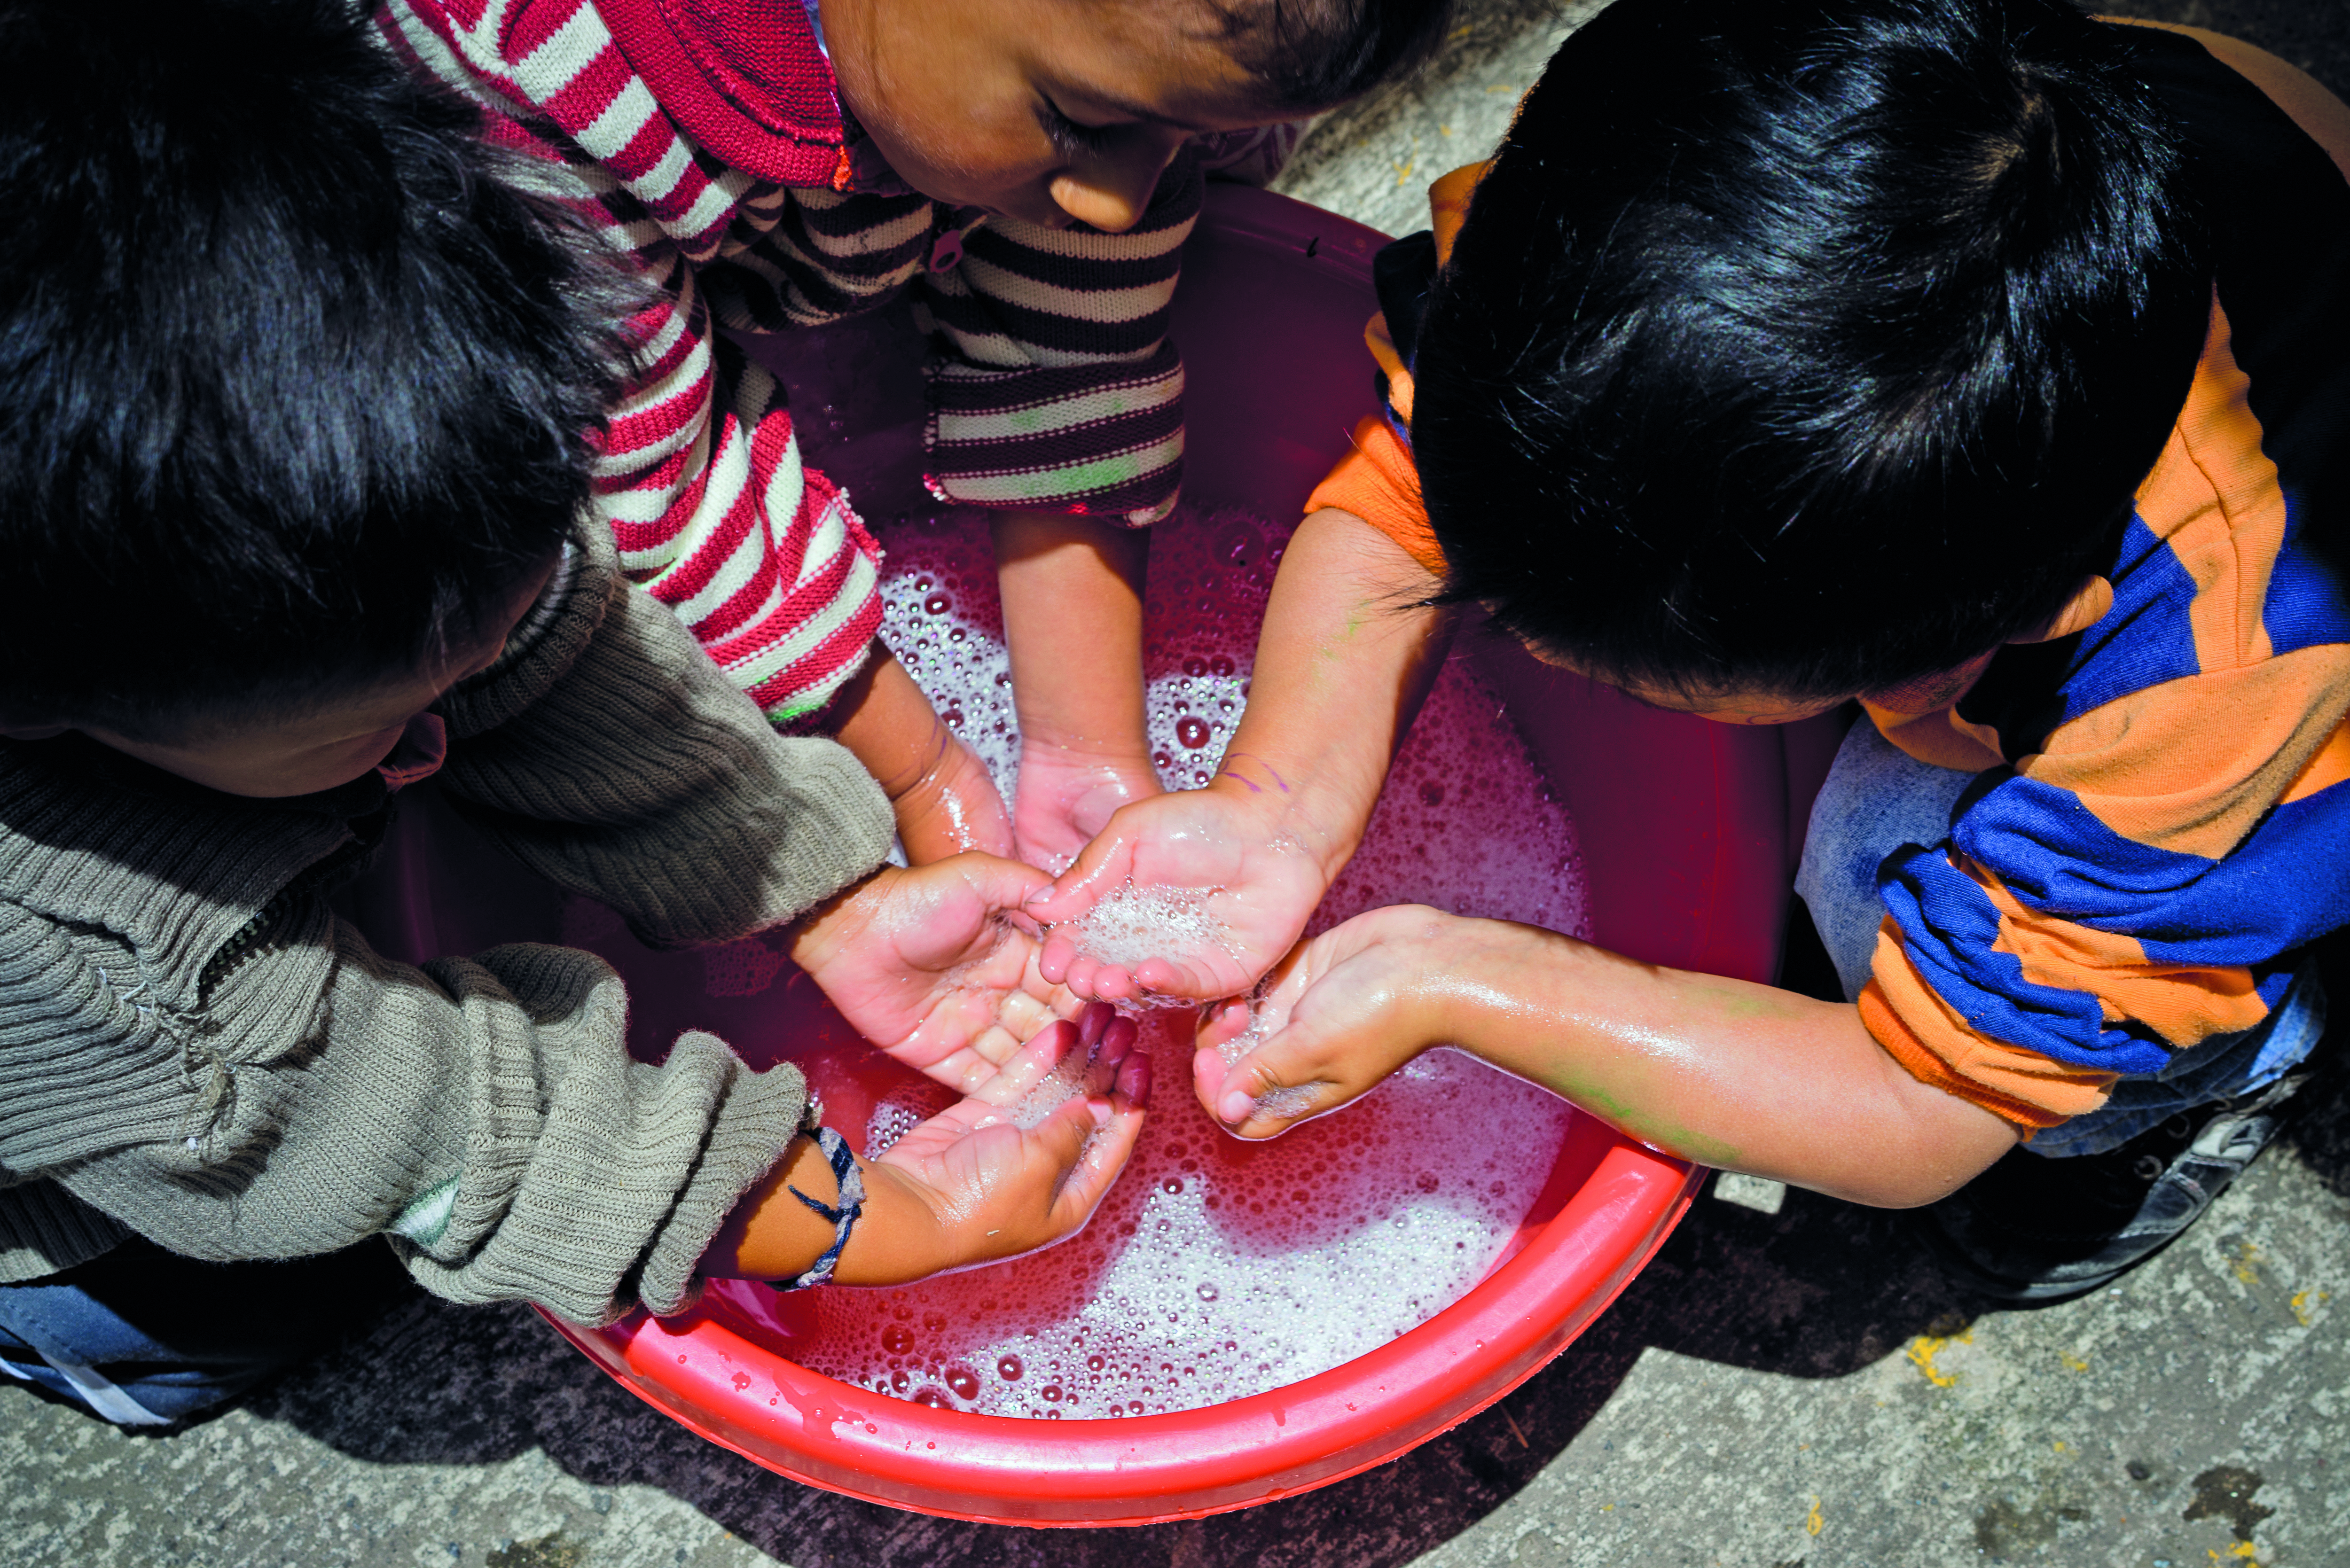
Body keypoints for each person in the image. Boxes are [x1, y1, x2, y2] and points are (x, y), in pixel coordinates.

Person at [1037, 0, 2350, 1300]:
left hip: (2281, 749)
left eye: (1624, 675)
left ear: (1977, 648)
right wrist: (1276, 812)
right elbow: (1405, 491)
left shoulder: (2217, 675)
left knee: (1867, 867)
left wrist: (1464, 975)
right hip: (2192, 188)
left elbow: (1923, 1106)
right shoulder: (1631, 225)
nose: (1541, 659)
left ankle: (2215, 1066)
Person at [0, 0, 1148, 1428]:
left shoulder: (363, 434)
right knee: (229, 1293)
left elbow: (551, 642)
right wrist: (880, 1210)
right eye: (384, 722)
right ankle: (75, 1340)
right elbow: (432, 1128)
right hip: (96, 1109)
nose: (428, 751)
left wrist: (818, 887)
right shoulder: (88, 971)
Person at [375, 0, 1455, 874]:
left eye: (1186, 136)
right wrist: (920, 775)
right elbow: (662, 473)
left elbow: (1068, 322)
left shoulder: (1090, 53)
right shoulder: (527, 74)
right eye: (1084, 124)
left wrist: (1084, 753)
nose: (1120, 200)